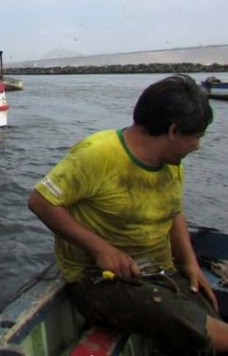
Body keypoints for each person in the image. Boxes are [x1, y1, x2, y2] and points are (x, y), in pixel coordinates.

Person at [28, 74, 228, 354]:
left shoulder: (172, 163)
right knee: (212, 334)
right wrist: (101, 249)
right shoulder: (97, 154)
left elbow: (174, 213)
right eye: (195, 137)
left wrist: (191, 265)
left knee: (212, 318)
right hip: (102, 280)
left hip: (161, 271)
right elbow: (41, 201)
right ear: (173, 131)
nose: (198, 146)